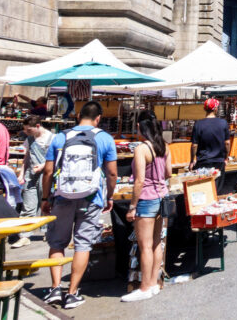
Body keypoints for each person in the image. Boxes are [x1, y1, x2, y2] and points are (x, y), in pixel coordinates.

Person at [41, 101, 118, 310]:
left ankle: (55, 288)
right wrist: (109, 196)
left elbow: (48, 172)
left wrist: (45, 198)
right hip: (91, 198)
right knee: (83, 244)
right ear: (98, 118)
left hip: (62, 196)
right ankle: (72, 292)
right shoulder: (104, 138)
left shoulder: (60, 137)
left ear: (78, 116)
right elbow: (111, 173)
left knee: (57, 242)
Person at [122, 111, 171, 302]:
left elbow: (139, 181)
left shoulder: (142, 149)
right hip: (162, 197)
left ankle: (145, 287)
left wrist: (132, 206)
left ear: (140, 128)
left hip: (147, 198)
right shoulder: (164, 147)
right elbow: (168, 173)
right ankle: (154, 283)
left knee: (145, 246)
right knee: (157, 242)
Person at [13, 115, 54, 248]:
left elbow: (57, 158)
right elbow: (27, 157)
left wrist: (43, 166)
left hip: (46, 175)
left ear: (37, 126)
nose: (26, 133)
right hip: (31, 175)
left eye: (28, 130)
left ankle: (48, 232)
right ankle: (24, 235)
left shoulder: (52, 138)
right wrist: (21, 173)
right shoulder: (30, 139)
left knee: (46, 203)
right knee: (28, 204)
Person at [190, 98, 231, 191]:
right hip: (219, 161)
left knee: (204, 189)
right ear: (216, 109)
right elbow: (227, 143)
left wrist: (192, 161)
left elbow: (194, 145)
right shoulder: (223, 123)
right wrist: (226, 157)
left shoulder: (198, 124)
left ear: (205, 109)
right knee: (216, 189)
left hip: (203, 161)